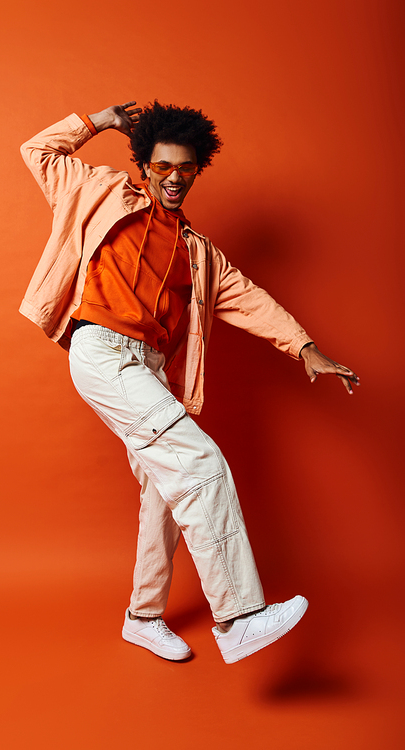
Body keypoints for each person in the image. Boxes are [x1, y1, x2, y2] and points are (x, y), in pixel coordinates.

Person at [20, 100, 359, 664]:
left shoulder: (197, 254)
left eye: (186, 168)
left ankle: (142, 616)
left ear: (197, 169)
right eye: (162, 167)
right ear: (144, 166)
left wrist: (305, 347)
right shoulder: (100, 191)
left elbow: (251, 298)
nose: (174, 178)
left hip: (146, 368)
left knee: (163, 492)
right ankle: (238, 617)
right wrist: (96, 122)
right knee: (200, 463)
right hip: (101, 351)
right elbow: (37, 151)